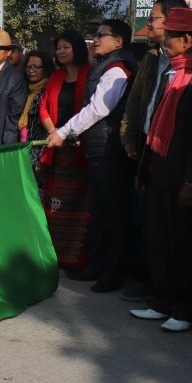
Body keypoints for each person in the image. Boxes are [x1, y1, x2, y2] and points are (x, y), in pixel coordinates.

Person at [128, 8, 192, 332]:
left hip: (183, 175)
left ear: (186, 39)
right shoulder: (172, 72)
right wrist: (144, 170)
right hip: (158, 169)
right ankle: (161, 300)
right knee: (158, 239)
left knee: (184, 244)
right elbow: (154, 124)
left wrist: (191, 182)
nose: (164, 41)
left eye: (170, 36)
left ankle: (185, 308)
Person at [48, 19, 137, 293]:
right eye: (95, 34)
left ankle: (113, 271)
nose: (95, 39)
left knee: (113, 215)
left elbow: (98, 109)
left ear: (119, 41)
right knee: (99, 213)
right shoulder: (106, 66)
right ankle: (98, 265)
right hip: (98, 149)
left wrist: (64, 131)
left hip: (110, 151)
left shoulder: (117, 70)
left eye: (101, 35)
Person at [118, 0, 188, 302]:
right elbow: (137, 101)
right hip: (146, 145)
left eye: (154, 18)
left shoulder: (189, 62)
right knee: (150, 224)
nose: (149, 23)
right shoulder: (151, 57)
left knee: (173, 229)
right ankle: (152, 284)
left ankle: (175, 293)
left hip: (172, 153)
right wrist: (129, 132)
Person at [37, 30, 92, 270]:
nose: (61, 51)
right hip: (57, 149)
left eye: (66, 47)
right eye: (58, 47)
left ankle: (77, 258)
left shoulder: (90, 75)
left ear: (77, 49)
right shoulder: (56, 77)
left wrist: (72, 133)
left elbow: (92, 110)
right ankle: (56, 255)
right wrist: (54, 132)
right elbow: (43, 107)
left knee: (80, 206)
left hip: (80, 149)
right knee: (54, 204)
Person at [19, 50, 53, 176]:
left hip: (38, 150)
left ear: (46, 68)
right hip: (22, 148)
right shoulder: (23, 89)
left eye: (36, 67)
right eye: (28, 67)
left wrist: (42, 157)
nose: (31, 70)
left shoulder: (49, 90)